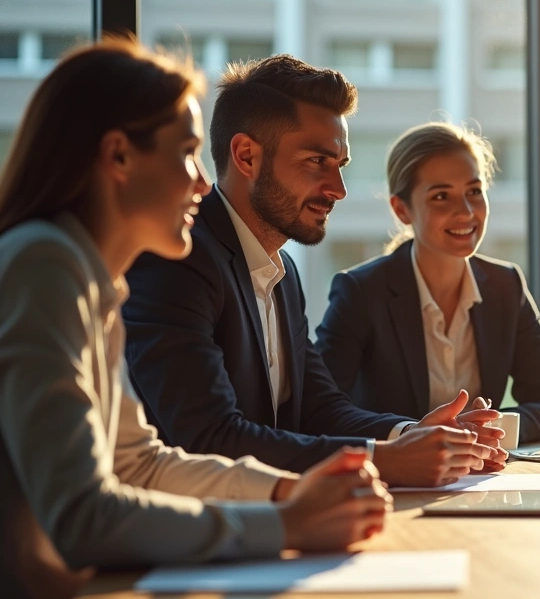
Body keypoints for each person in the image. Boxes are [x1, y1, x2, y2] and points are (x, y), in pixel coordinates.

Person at [0, 38, 393, 599]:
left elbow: (140, 465)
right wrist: (286, 523)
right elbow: (83, 517)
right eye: (185, 152)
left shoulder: (95, 279)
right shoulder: (44, 263)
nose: (201, 181)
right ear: (118, 156)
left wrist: (289, 497)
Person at [122, 55, 506, 488]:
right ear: (246, 156)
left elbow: (319, 409)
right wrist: (386, 460)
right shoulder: (178, 262)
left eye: (339, 166)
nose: (338, 190)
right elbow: (209, 438)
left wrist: (412, 434)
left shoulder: (283, 272)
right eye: (316, 162)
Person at [315, 122, 540, 443]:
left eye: (474, 192)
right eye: (441, 196)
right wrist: (412, 433)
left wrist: (486, 428)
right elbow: (320, 410)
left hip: (480, 480)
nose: (465, 212)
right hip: (394, 482)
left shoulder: (506, 286)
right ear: (401, 210)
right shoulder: (360, 291)